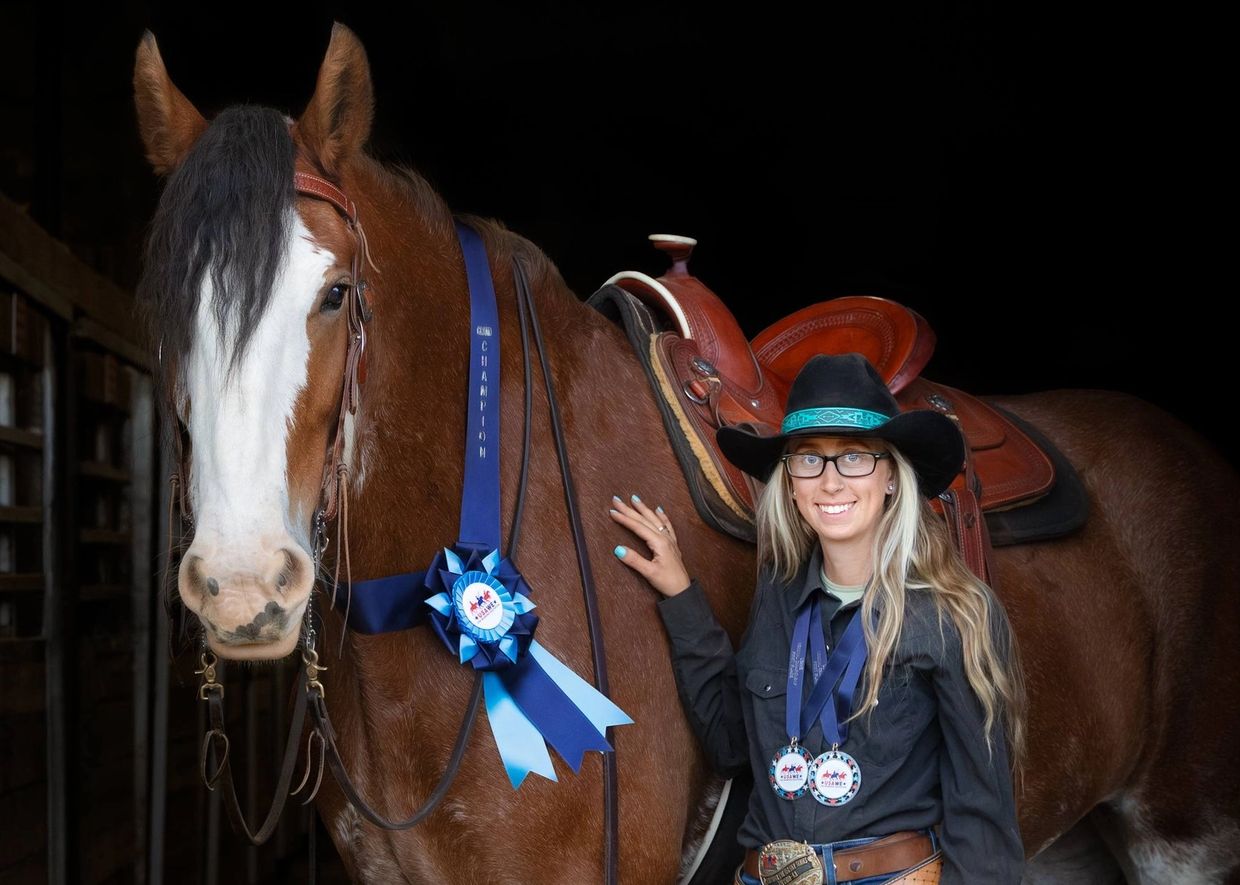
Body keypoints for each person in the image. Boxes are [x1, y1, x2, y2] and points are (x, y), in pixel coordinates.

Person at [608, 353, 1026, 885]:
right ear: (790, 483)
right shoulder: (777, 601)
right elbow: (731, 745)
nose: (829, 482)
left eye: (854, 457)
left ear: (893, 478)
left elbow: (983, 816)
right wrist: (681, 595)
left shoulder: (955, 614)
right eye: (808, 459)